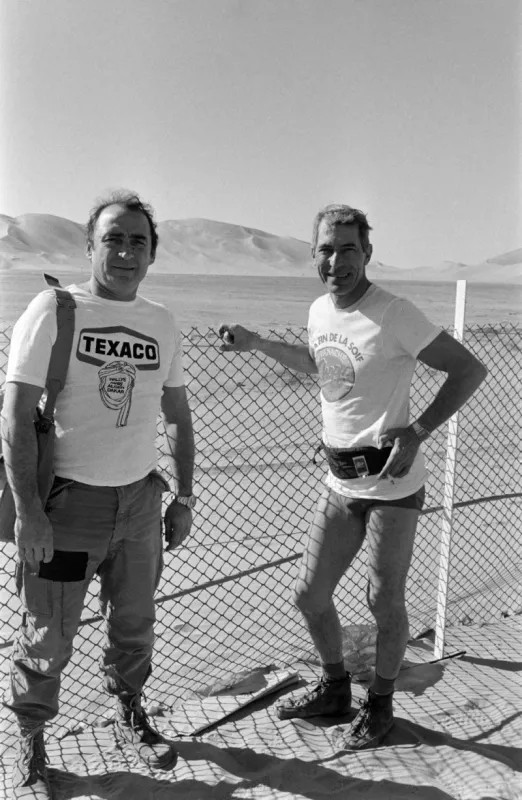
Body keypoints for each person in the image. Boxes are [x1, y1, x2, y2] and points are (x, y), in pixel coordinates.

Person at [219, 203, 487, 750]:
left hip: (391, 486)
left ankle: (381, 705)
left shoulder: (394, 313)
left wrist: (417, 431)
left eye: (347, 248)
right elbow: (322, 366)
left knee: (384, 602)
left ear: (367, 252)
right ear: (313, 254)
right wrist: (259, 343)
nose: (336, 259)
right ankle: (336, 687)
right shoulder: (320, 310)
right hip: (340, 486)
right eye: (325, 249)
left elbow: (469, 368)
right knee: (309, 593)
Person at [1, 191, 196, 798]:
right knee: (48, 632)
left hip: (139, 504)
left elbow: (178, 416)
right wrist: (29, 513)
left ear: (152, 254)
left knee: (135, 622)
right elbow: (13, 415)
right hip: (67, 507)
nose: (126, 251)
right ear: (90, 247)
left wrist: (184, 495)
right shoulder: (54, 309)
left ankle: (129, 713)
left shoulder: (161, 321)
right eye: (114, 238)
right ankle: (28, 742)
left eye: (139, 241)